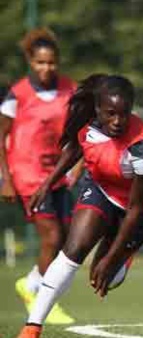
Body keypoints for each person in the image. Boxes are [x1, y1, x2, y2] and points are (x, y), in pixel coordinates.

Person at [16, 74, 143, 338]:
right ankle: (32, 326)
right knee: (72, 251)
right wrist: (47, 184)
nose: (117, 121)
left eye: (124, 114)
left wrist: (112, 258)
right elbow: (75, 147)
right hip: (102, 188)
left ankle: (121, 255)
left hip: (141, 210)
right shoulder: (90, 123)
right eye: (110, 114)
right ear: (98, 109)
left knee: (107, 276)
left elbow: (135, 209)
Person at [0, 28, 78, 324]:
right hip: (27, 173)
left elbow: (77, 131)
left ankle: (31, 284)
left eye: (52, 63)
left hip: (56, 172)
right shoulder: (17, 94)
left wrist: (76, 167)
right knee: (53, 235)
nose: (47, 68)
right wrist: (5, 178)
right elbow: (1, 137)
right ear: (31, 62)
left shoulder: (69, 89)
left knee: (68, 238)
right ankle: (45, 300)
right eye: (40, 63)